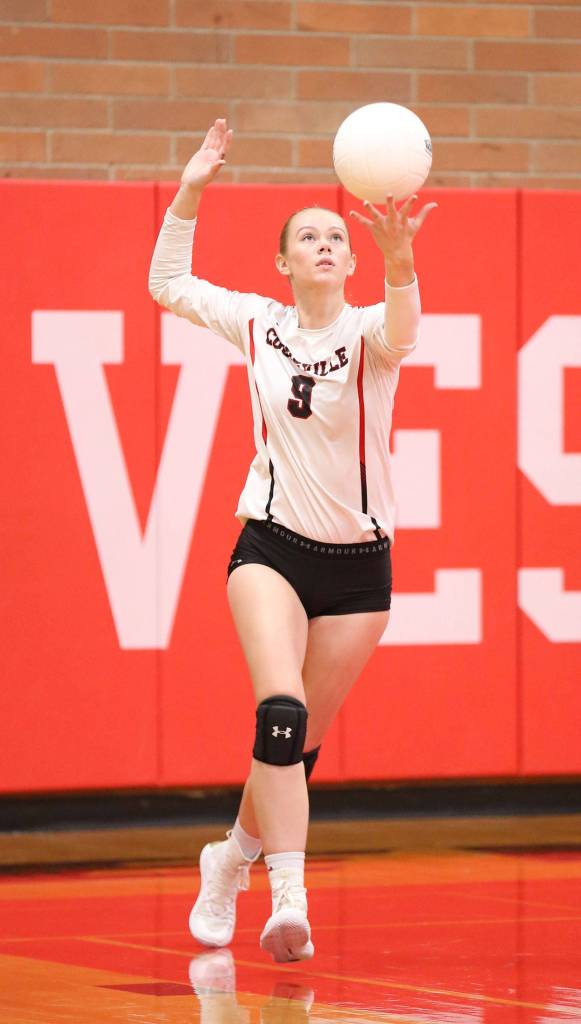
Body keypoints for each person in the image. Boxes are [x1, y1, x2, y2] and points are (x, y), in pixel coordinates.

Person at [148, 118, 436, 964]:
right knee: (279, 712)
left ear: (351, 263)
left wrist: (402, 259)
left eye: (336, 237)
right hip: (271, 549)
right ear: (281, 261)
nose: (323, 244)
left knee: (293, 749)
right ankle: (287, 900)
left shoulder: (368, 339)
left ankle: (227, 859)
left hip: (358, 571)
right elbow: (166, 282)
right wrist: (194, 184)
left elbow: (404, 328)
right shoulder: (256, 323)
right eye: (307, 236)